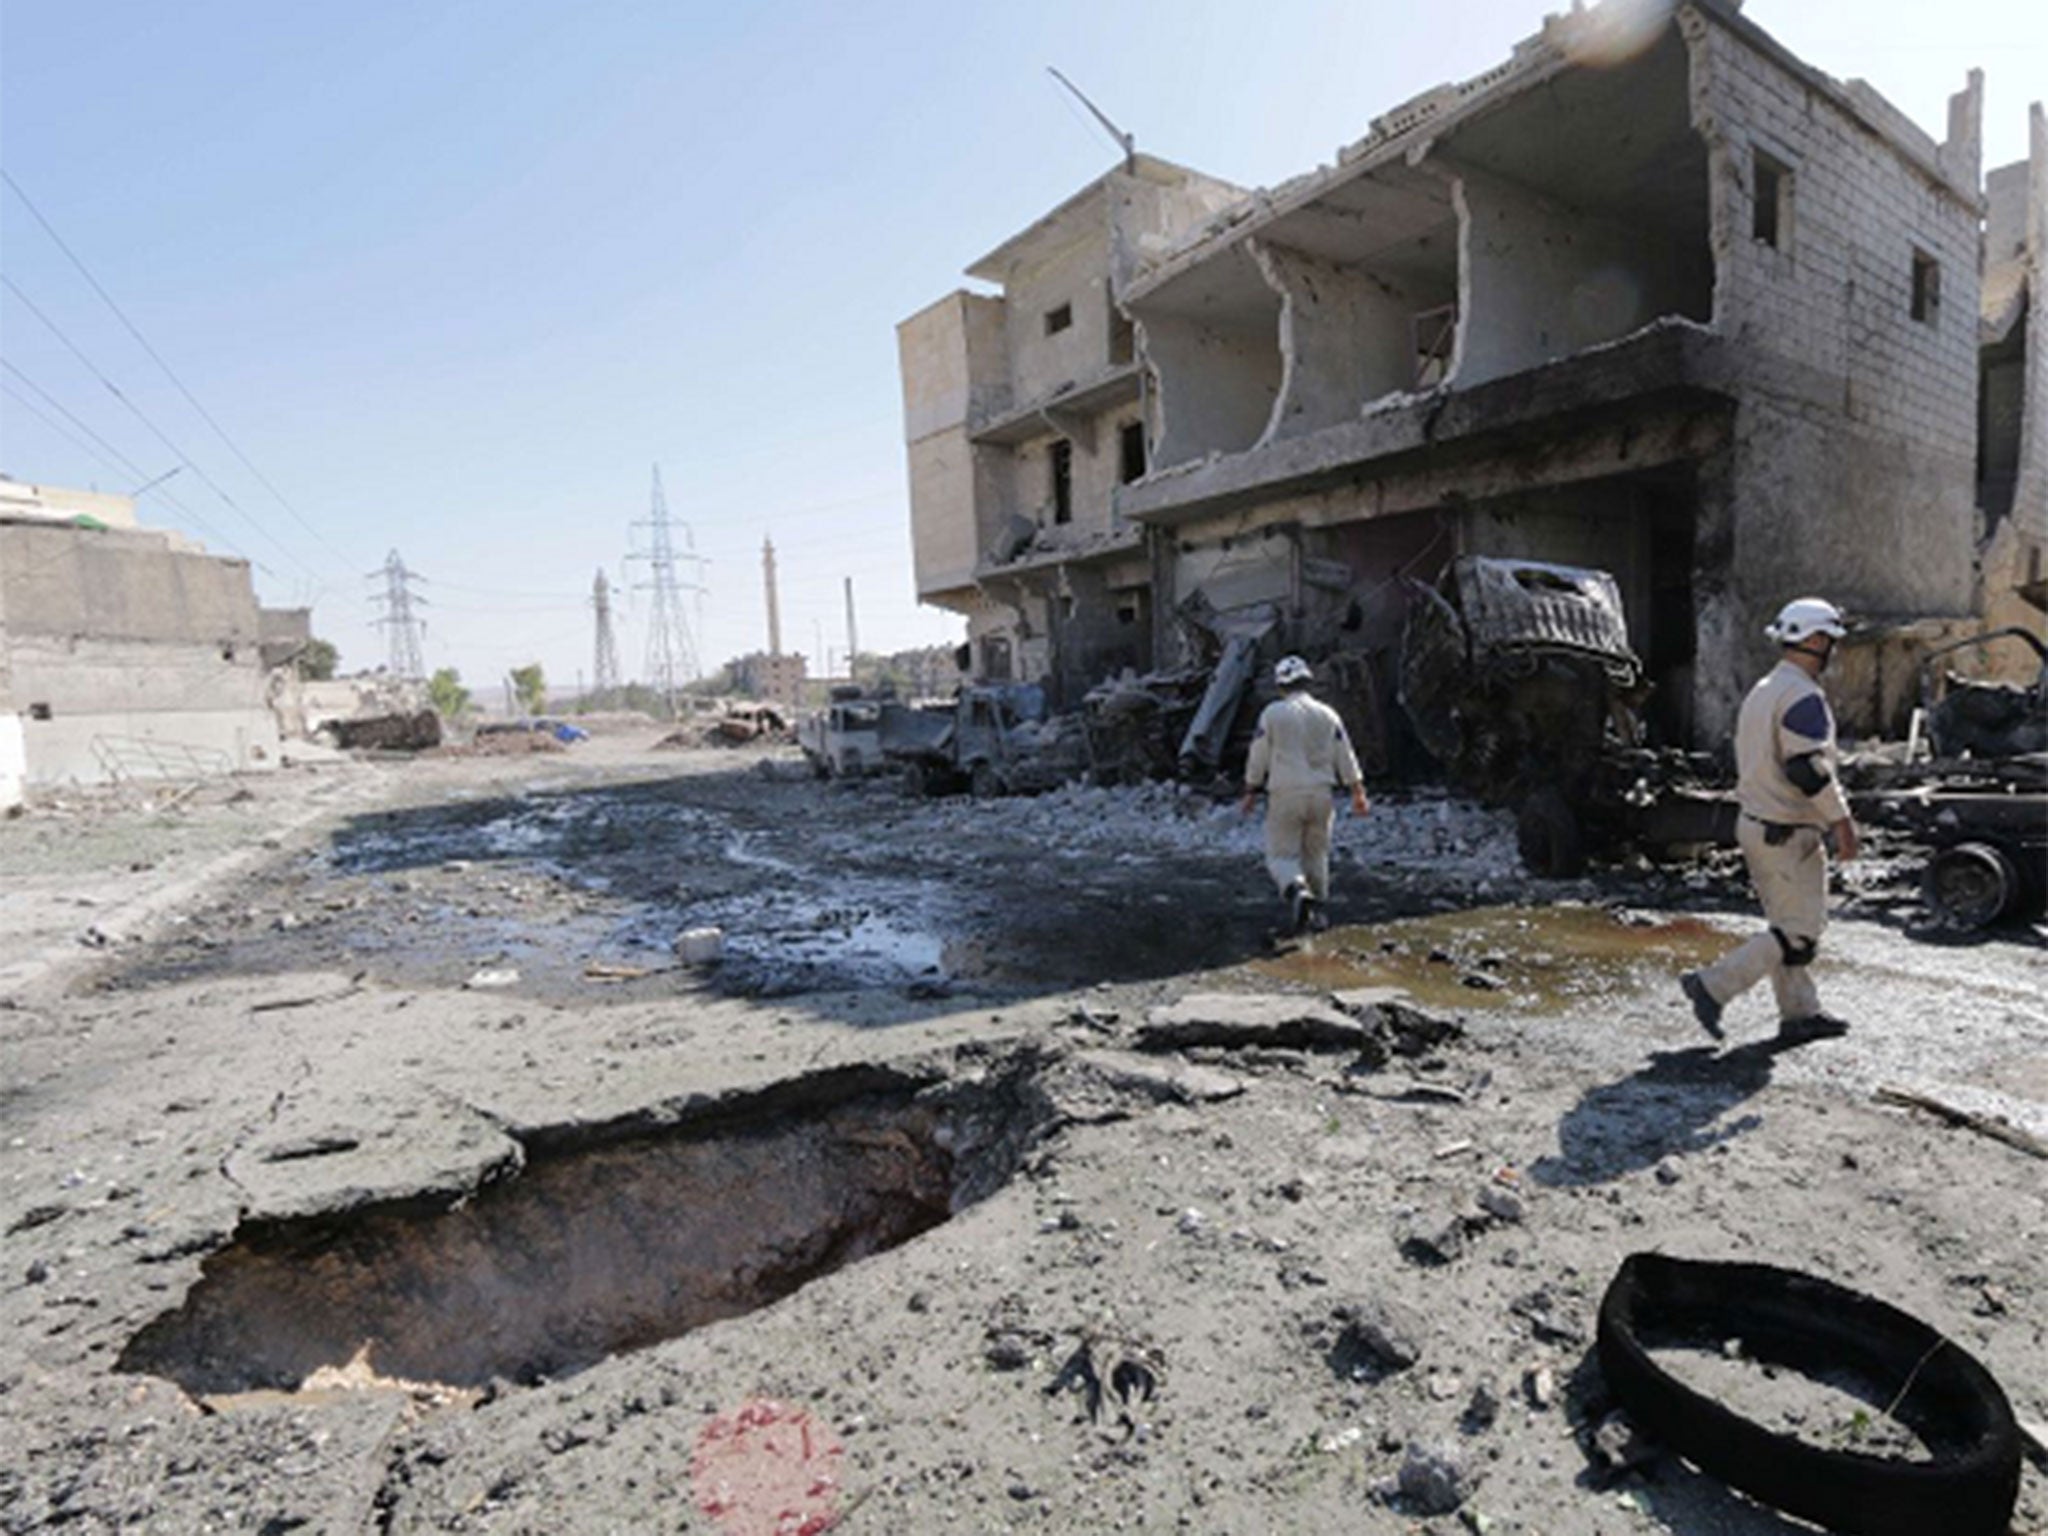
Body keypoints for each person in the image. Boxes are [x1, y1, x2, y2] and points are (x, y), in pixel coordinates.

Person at [1681, 597, 1860, 1043]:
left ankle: (1800, 1013)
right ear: (1816, 640)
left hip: (1761, 825)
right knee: (1798, 933)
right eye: (1831, 640)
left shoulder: (1765, 689)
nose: (1833, 650)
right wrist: (1841, 820)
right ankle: (1712, 986)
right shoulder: (1801, 694)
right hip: (1786, 831)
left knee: (1788, 926)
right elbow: (1806, 769)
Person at [1240, 655, 1371, 934]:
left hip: (1285, 793)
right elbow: (1345, 754)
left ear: (1281, 685)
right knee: (1316, 854)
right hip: (1322, 794)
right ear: (1308, 681)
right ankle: (1319, 913)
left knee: (1280, 855)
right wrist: (1357, 791)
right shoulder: (1328, 714)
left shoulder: (1272, 714)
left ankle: (1296, 890)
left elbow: (1258, 755)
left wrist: (1251, 788)